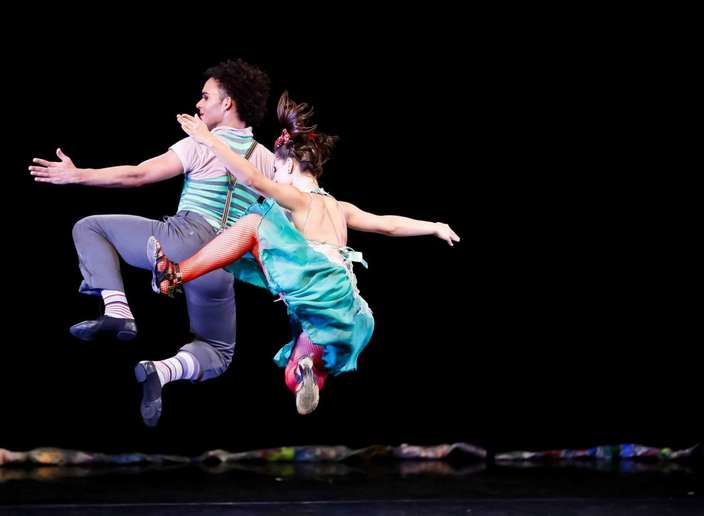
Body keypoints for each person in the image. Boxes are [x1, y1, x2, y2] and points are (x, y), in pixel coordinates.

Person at [147, 92, 460, 416]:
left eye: (277, 170)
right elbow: (388, 226)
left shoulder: (297, 197)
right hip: (352, 310)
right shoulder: (339, 206)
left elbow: (250, 177)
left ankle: (175, 275)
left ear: (291, 164)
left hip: (316, 280)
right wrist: (433, 225)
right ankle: (309, 369)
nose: (274, 177)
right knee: (298, 366)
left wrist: (208, 139)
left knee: (255, 224)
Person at [29, 59, 275, 427]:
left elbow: (139, 175)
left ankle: (118, 312)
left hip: (182, 241)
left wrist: (78, 175)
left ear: (228, 103)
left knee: (90, 227)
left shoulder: (201, 143)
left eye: (206, 97)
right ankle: (161, 371)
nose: (199, 104)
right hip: (218, 265)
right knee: (219, 352)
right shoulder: (268, 162)